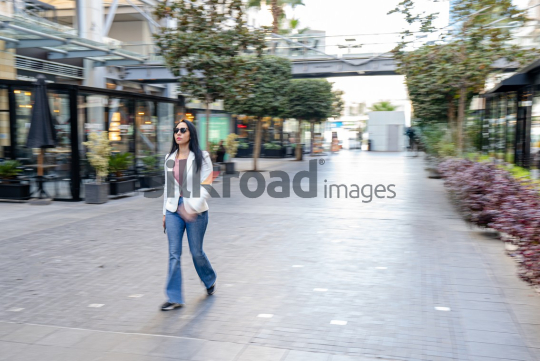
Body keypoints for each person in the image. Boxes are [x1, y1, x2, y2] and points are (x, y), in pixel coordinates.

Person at [161, 119, 217, 311]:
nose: (178, 133)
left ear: (190, 134)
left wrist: (191, 207)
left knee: (196, 252)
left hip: (196, 211)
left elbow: (206, 186)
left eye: (182, 130)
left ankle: (209, 279)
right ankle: (174, 297)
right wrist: (164, 213)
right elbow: (168, 188)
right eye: (176, 130)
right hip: (173, 210)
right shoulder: (169, 158)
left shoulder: (202, 157)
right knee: (173, 254)